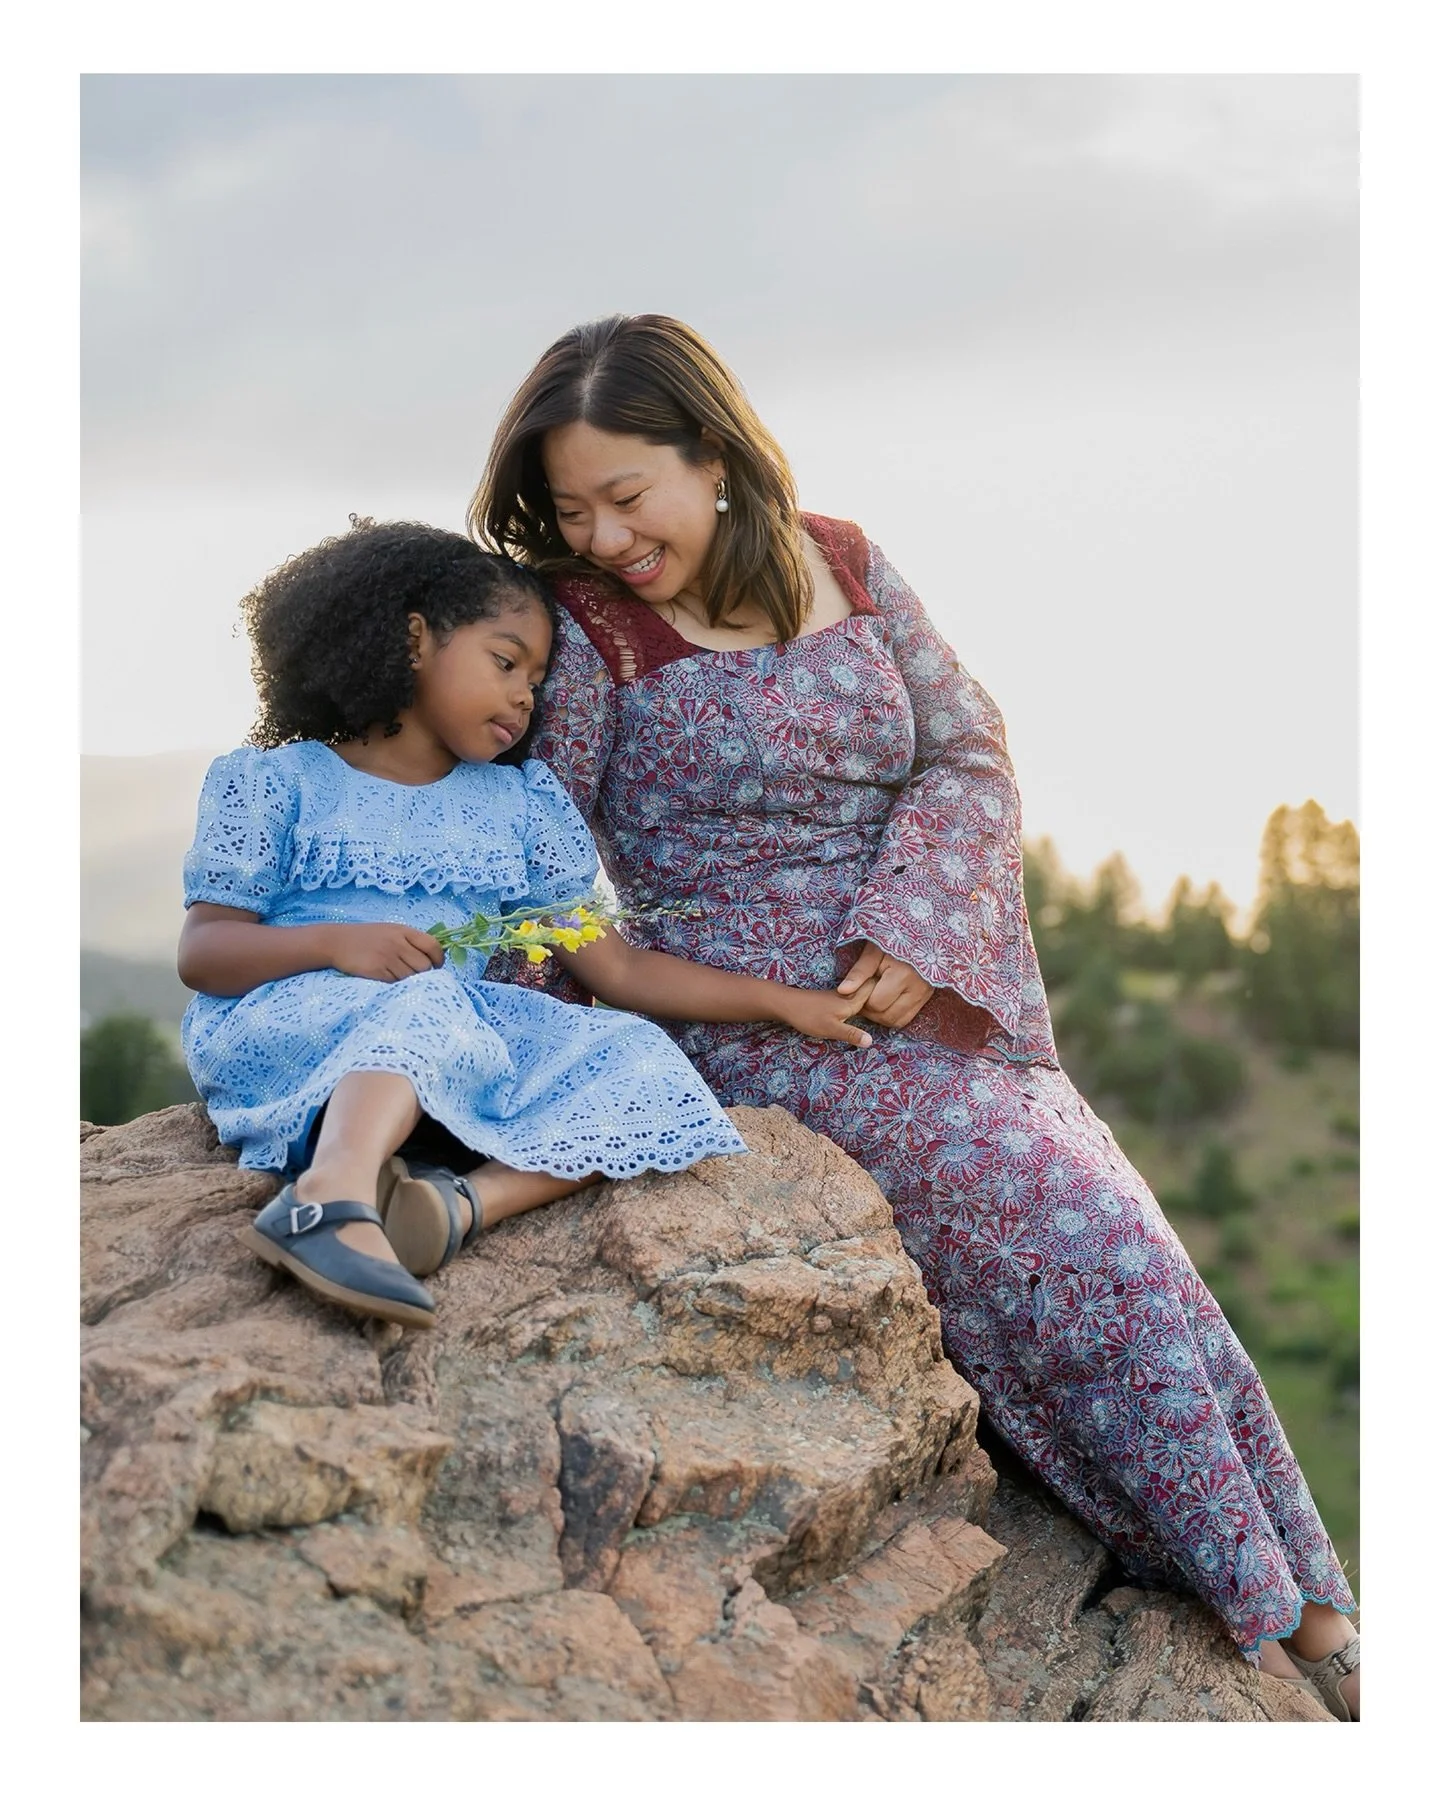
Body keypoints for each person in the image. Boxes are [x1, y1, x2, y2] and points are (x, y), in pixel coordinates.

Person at [469, 314, 1360, 1718]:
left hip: (933, 984)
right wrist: (503, 1048)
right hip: (760, 1015)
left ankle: (1306, 1588)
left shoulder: (849, 561)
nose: (605, 534)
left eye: (626, 496)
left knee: (1121, 1219)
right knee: (1063, 1229)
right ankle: (1270, 1609)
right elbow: (532, 845)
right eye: (572, 508)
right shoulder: (582, 630)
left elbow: (966, 746)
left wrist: (913, 926)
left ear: (711, 454)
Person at [176, 517, 878, 1334]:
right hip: (290, 1026)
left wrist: (784, 1002)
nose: (524, 696)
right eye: (505, 662)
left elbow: (620, 973)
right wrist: (336, 944)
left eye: (538, 682)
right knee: (429, 1003)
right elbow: (204, 952)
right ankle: (326, 1199)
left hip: (443, 1044)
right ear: (412, 640)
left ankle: (454, 1207)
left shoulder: (519, 807)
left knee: (633, 1055)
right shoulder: (279, 783)